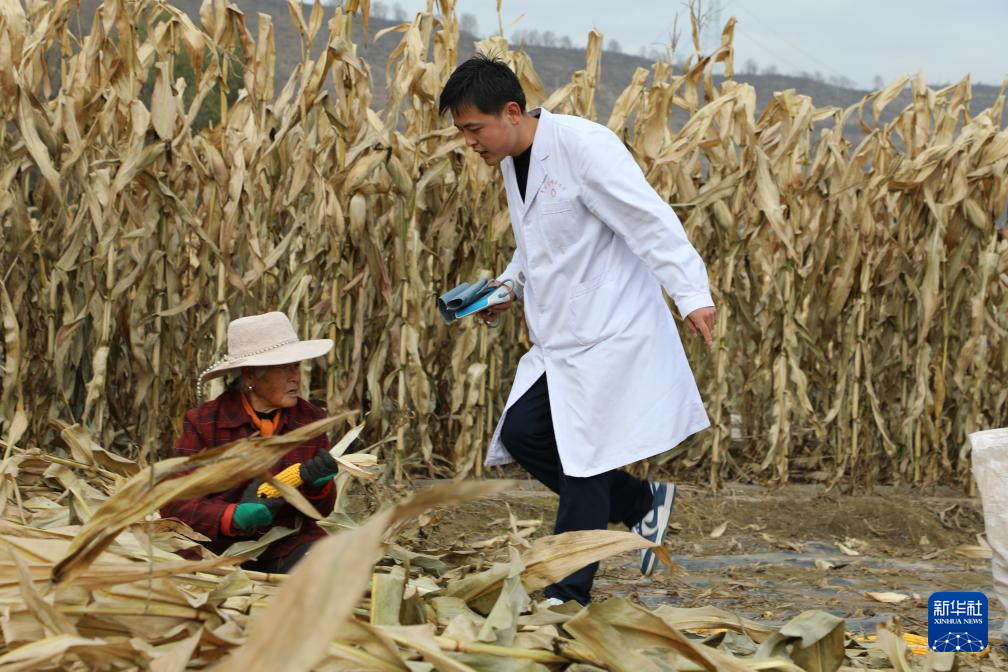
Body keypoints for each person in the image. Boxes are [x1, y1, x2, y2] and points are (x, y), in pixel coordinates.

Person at [439, 55, 717, 605]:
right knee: (524, 433)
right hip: (564, 339)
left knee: (583, 461)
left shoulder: (584, 148)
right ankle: (639, 503)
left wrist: (691, 295)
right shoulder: (514, 162)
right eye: (462, 132)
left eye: (474, 129)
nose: (469, 142)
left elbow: (649, 220)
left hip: (611, 329)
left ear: (512, 112)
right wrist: (508, 288)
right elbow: (539, 245)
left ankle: (567, 595)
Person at [160, 312, 340, 573]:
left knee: (335, 565)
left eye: (296, 366)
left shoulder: (310, 421)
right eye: (284, 368)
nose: (295, 376)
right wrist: (230, 516)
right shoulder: (205, 423)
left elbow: (320, 511)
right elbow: (174, 502)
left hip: (284, 544)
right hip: (216, 549)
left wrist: (319, 488)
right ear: (250, 376)